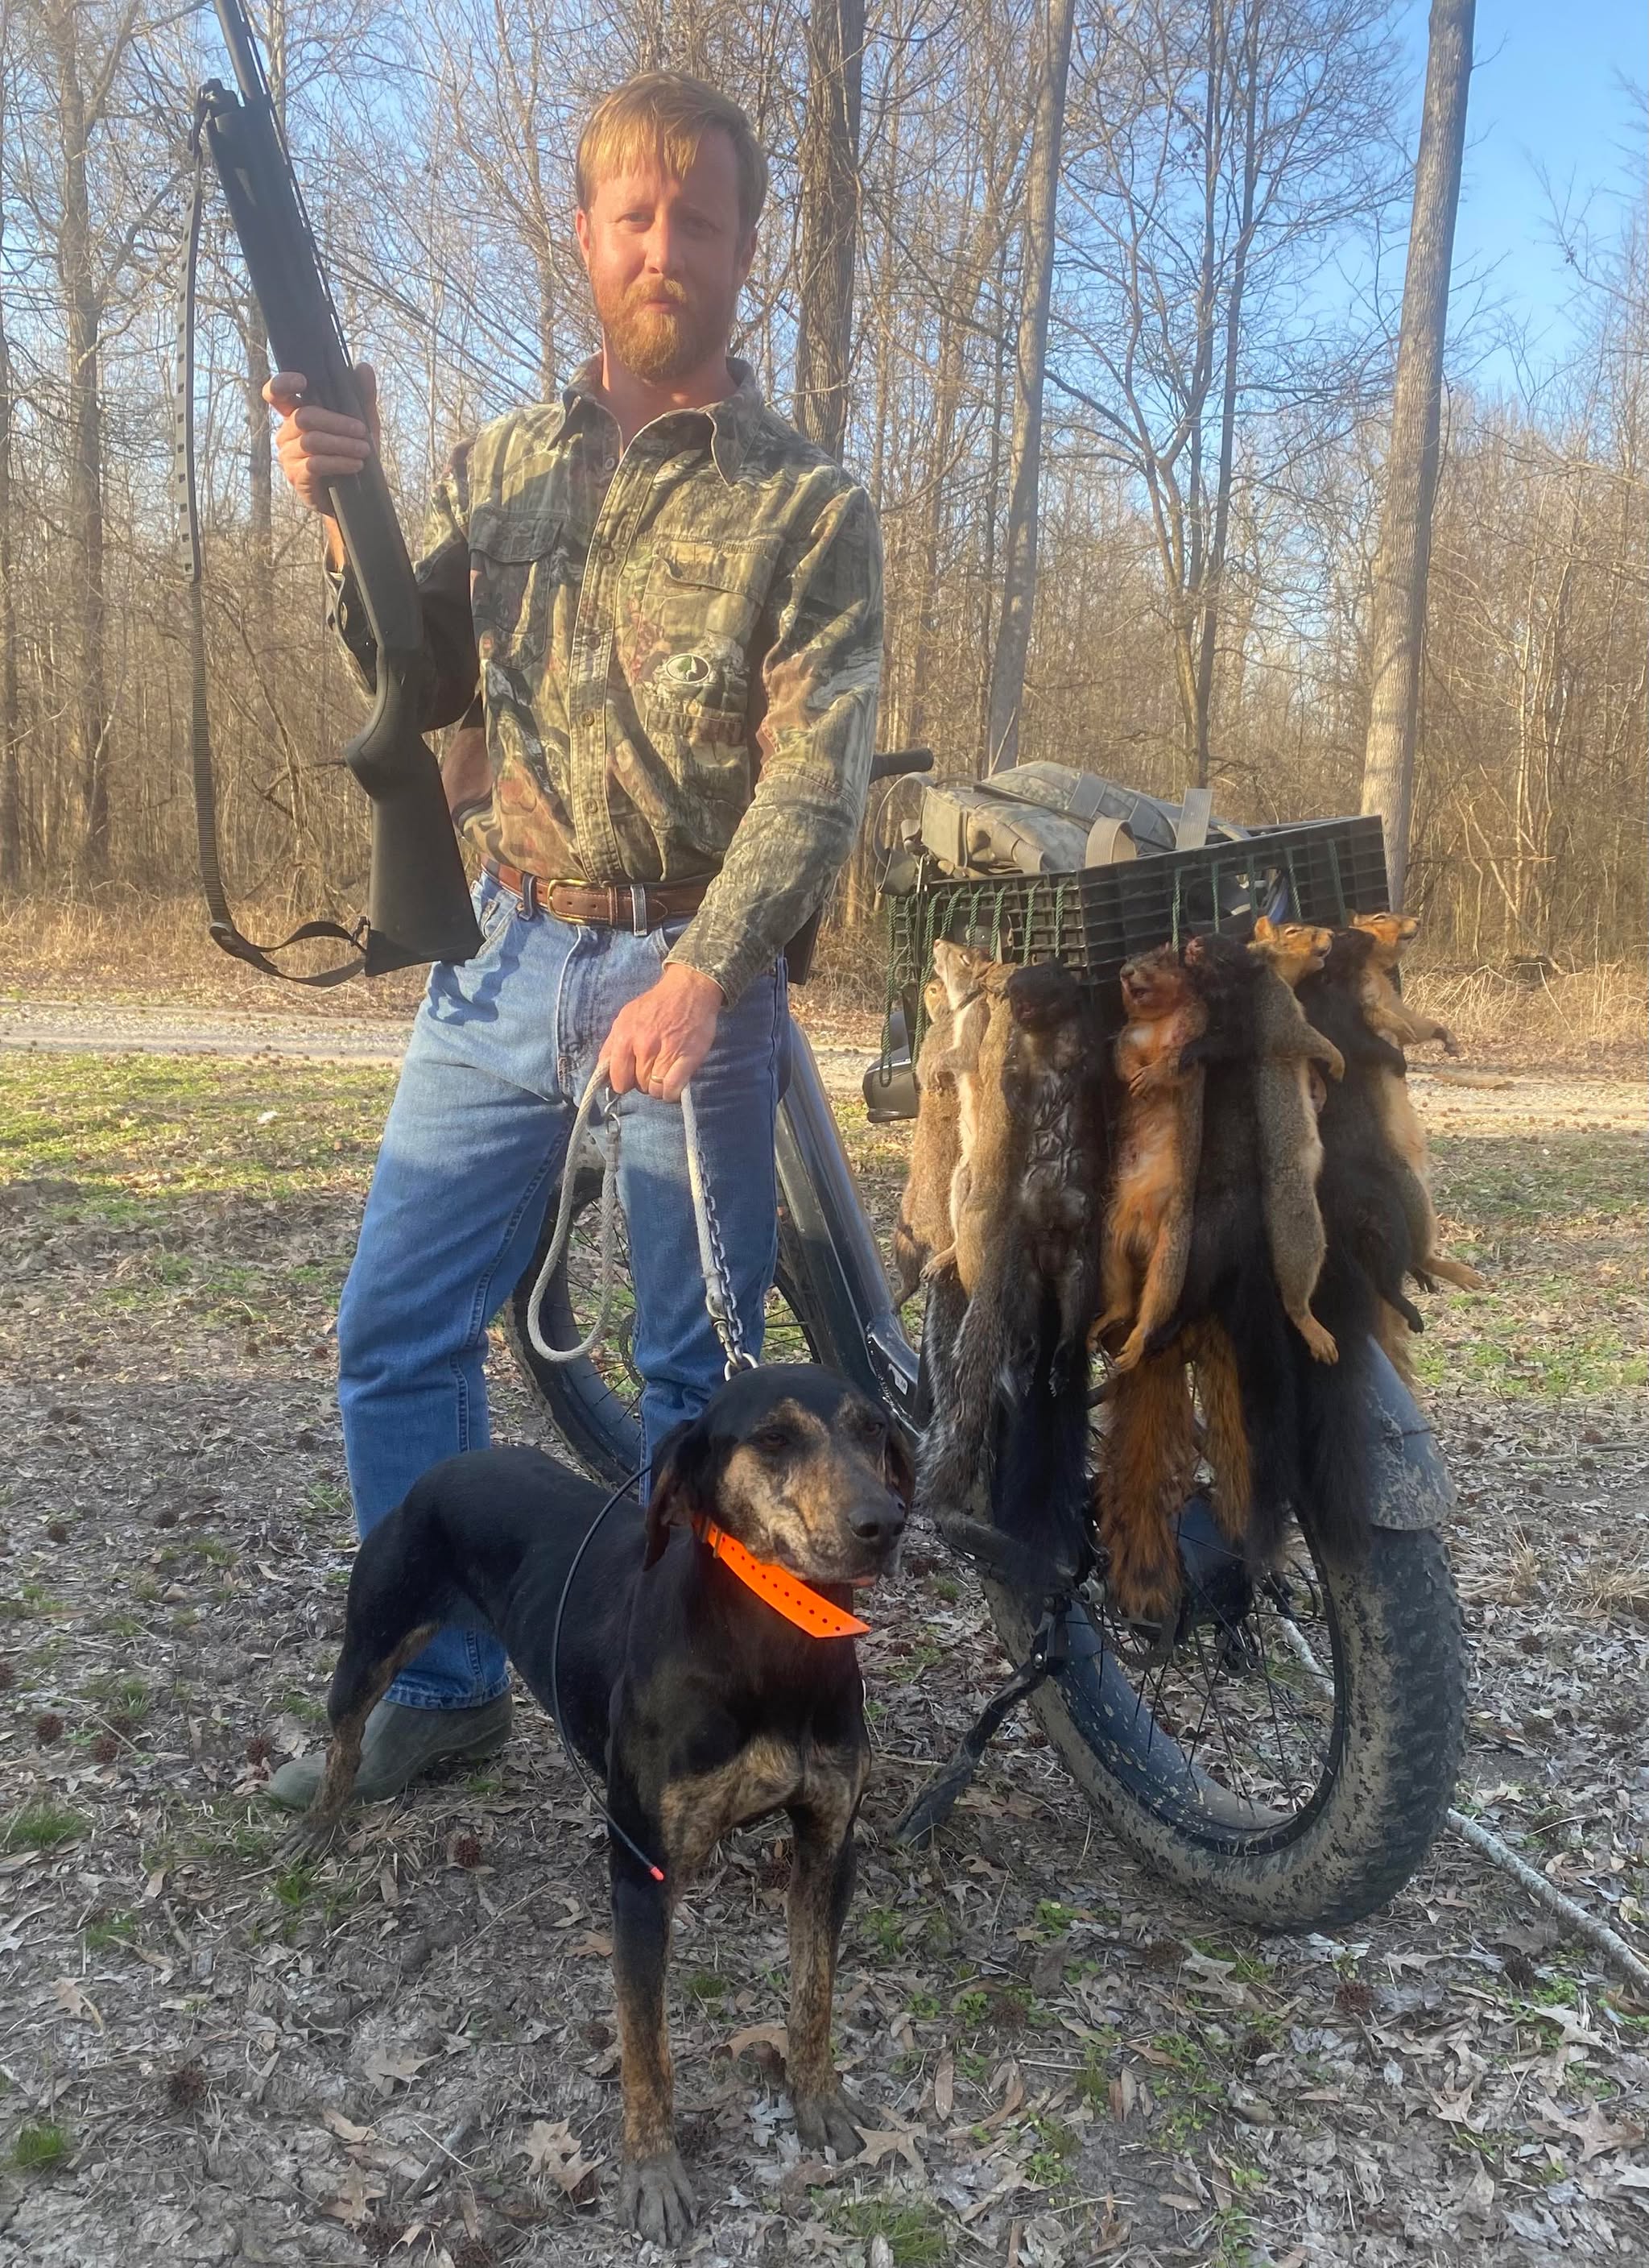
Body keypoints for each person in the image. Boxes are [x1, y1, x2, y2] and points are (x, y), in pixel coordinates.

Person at [263, 74, 883, 1809]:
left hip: (696, 965)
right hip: (504, 952)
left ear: (746, 246)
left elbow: (813, 778)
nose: (664, 246)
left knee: (698, 1384)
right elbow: (419, 681)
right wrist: (347, 507)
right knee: (395, 1326)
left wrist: (705, 974)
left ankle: (729, 1725)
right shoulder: (506, 463)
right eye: (635, 214)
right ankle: (456, 1676)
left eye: (700, 218)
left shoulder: (807, 505)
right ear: (586, 233)